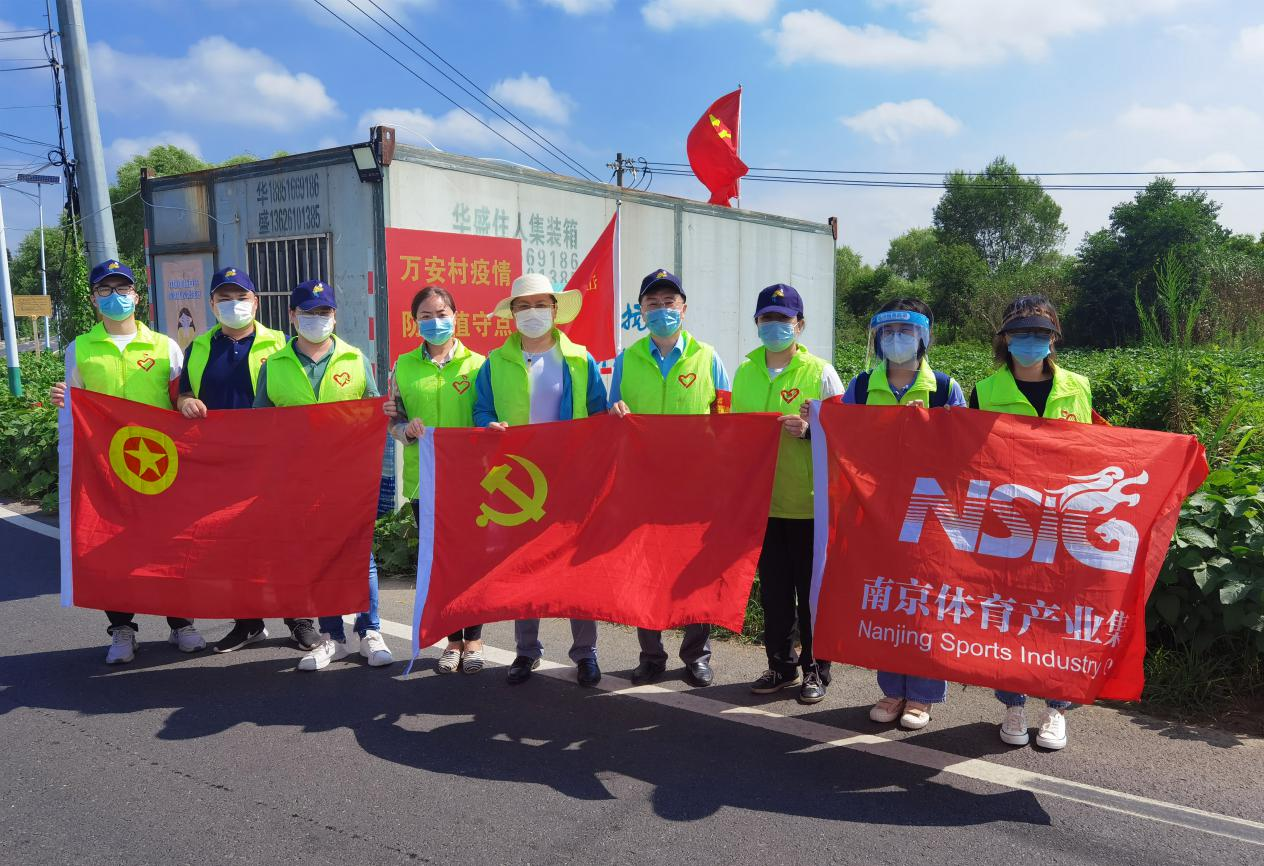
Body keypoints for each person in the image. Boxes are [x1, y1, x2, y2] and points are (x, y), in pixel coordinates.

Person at [49, 259, 206, 663]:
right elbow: (74, 407)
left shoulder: (164, 346)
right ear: (93, 299)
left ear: (136, 296)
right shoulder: (80, 348)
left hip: (159, 465)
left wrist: (187, 404)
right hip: (106, 468)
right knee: (111, 548)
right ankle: (121, 628)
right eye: (105, 290)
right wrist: (65, 400)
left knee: (169, 543)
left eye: (122, 289)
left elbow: (179, 396)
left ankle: (181, 622)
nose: (115, 297)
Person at [473, 273, 609, 688]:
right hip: (520, 482)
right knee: (524, 565)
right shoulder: (494, 362)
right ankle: (526, 650)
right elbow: (480, 410)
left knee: (576, 568)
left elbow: (598, 413)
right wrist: (489, 425)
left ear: (554, 309)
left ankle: (585, 653)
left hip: (571, 478)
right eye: (523, 306)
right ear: (512, 314)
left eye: (540, 305)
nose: (532, 313)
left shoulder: (579, 359)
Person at [174, 266, 319, 655]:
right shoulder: (198, 347)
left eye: (241, 297)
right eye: (225, 298)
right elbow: (183, 392)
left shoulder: (281, 343)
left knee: (285, 543)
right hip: (221, 463)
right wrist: (185, 401)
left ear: (256, 302)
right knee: (234, 546)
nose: (233, 304)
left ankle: (300, 619)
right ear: (212, 304)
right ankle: (248, 622)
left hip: (275, 462)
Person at [970, 295, 1092, 751]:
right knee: (1010, 614)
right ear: (1005, 338)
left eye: (1040, 333)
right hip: (1009, 522)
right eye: (1021, 333)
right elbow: (972, 458)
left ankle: (1057, 708)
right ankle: (1013, 704)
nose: (1030, 341)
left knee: (1059, 614)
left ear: (1054, 338)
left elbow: (1094, 448)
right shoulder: (985, 391)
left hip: (1063, 521)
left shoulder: (1078, 387)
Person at [253, 278, 394, 672]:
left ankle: (370, 631)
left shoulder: (354, 359)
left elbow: (372, 413)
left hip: (348, 478)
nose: (316, 319)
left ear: (334, 316)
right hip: (299, 481)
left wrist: (384, 413)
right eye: (308, 312)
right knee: (318, 556)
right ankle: (332, 636)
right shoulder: (274, 366)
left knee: (360, 555)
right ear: (292, 316)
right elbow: (259, 425)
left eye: (324, 312)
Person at [841, 298, 966, 731]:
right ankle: (893, 688)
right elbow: (843, 439)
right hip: (877, 508)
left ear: (923, 336)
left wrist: (932, 426)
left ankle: (924, 695)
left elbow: (965, 449)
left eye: (906, 331)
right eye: (889, 332)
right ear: (877, 339)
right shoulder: (860, 387)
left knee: (926, 598)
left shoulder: (944, 388)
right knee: (890, 598)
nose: (897, 340)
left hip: (929, 511)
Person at [608, 268, 730, 688]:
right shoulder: (627, 360)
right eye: (653, 304)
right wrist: (615, 412)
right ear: (641, 311)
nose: (662, 311)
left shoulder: (708, 358)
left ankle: (697, 655)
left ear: (684, 308)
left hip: (695, 489)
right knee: (646, 572)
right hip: (643, 487)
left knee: (693, 573)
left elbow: (726, 421)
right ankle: (651, 655)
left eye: (669, 303)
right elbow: (611, 417)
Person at [731, 284, 844, 704]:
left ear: (799, 324)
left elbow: (847, 433)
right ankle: (780, 665)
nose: (774, 326)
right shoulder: (745, 372)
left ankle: (816, 669)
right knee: (775, 594)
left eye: (783, 319)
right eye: (767, 318)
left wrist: (812, 431)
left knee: (812, 596)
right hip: (764, 505)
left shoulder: (820, 372)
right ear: (757, 323)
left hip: (811, 505)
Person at [383, 285, 487, 674]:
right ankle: (451, 642)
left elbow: (487, 415)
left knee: (471, 563)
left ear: (456, 316)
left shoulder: (479, 365)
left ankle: (474, 640)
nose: (435, 321)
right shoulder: (403, 367)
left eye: (442, 314)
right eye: (426, 316)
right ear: (415, 323)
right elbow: (393, 420)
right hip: (423, 482)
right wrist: (405, 430)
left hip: (472, 482)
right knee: (438, 564)